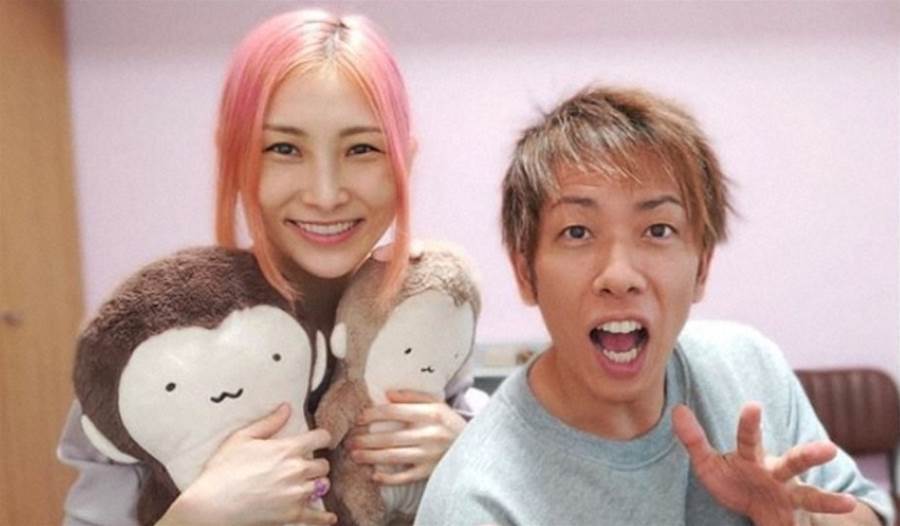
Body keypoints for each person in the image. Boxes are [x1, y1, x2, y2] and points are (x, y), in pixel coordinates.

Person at [58, 9, 480, 525]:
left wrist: (469, 456)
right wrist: (196, 516)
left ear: (404, 163)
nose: (325, 193)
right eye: (284, 148)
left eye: (362, 149)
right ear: (235, 160)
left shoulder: (428, 315)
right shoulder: (156, 340)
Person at [415, 86, 895, 525]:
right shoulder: (478, 502)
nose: (619, 275)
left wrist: (800, 521)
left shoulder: (749, 369)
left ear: (702, 267)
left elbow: (870, 513)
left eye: (658, 230)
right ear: (525, 272)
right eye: (577, 232)